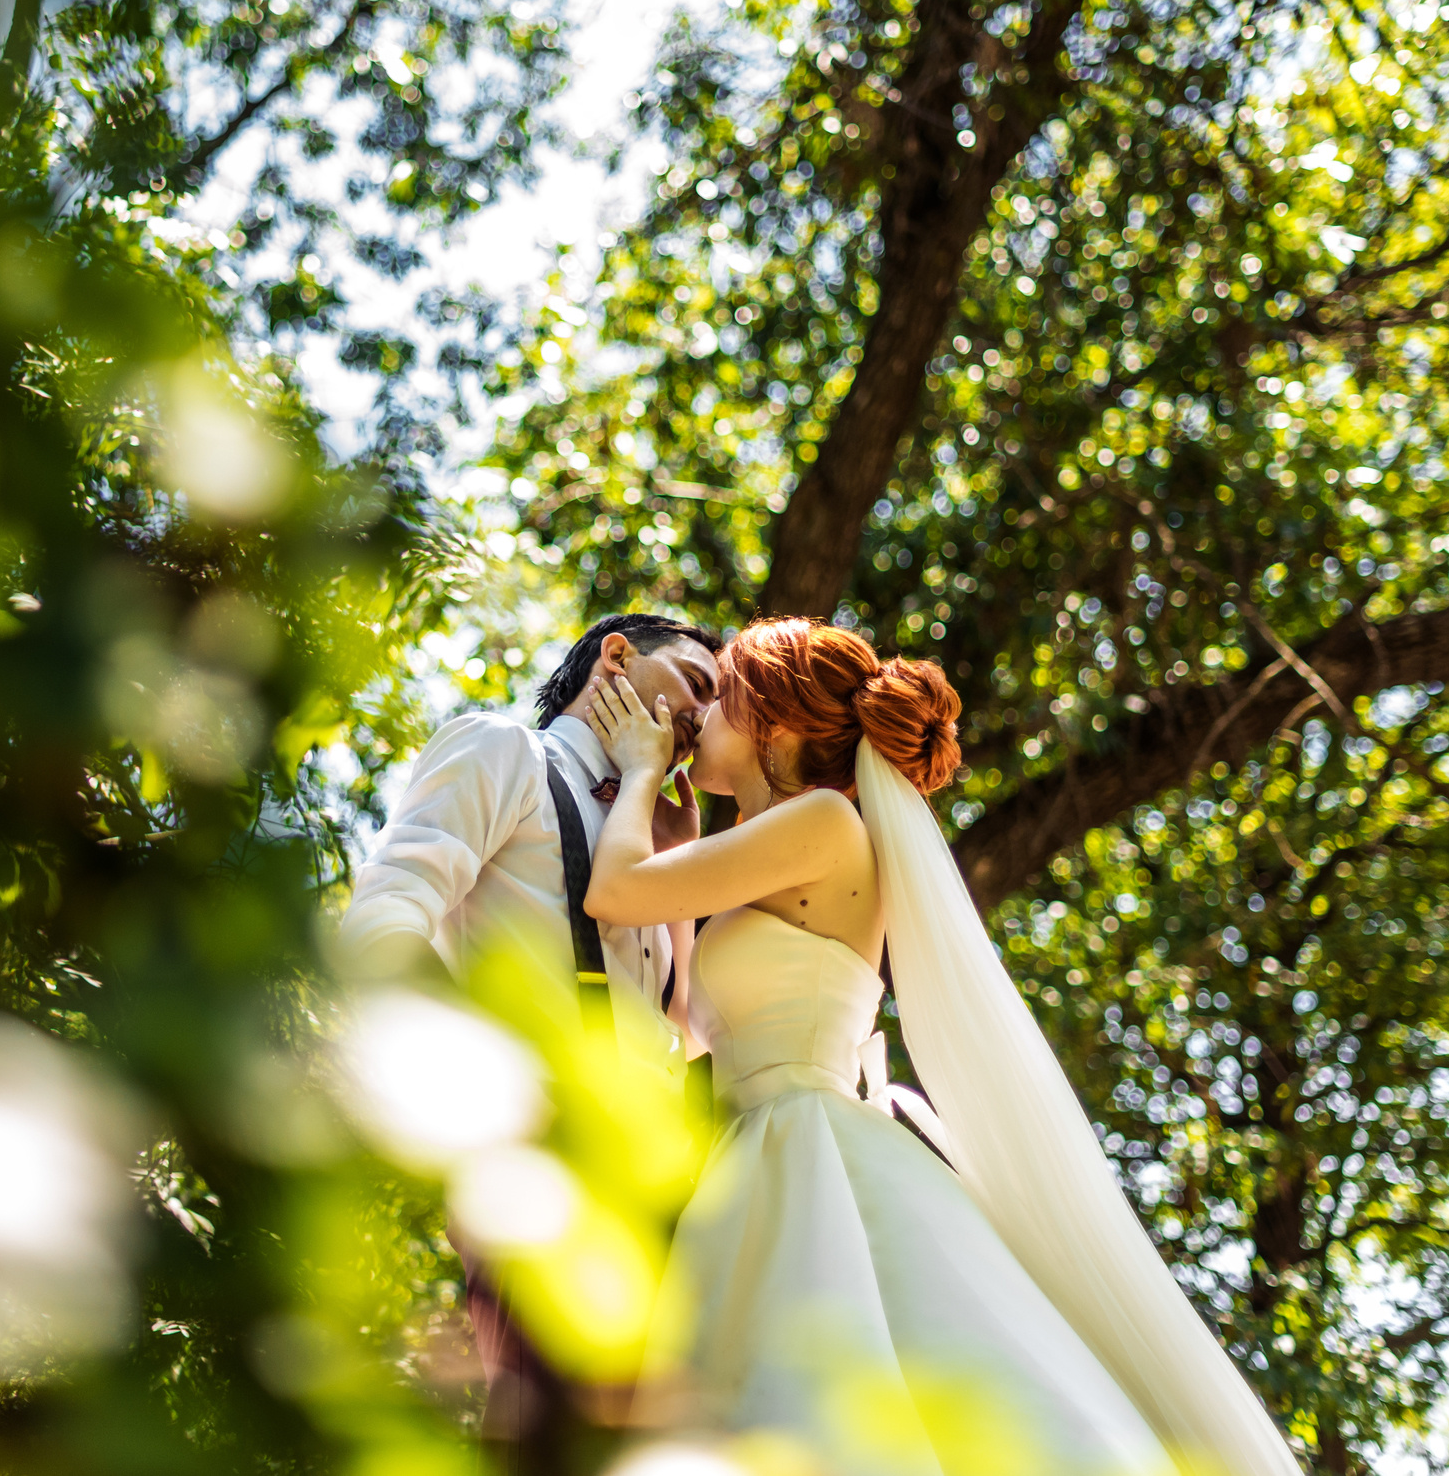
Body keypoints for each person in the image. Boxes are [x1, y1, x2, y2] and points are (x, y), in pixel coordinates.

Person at [581, 617, 1301, 1476]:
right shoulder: (783, 848)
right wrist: (680, 848)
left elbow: (612, 891)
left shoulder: (823, 821)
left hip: (801, 1143)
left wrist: (637, 770)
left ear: (775, 723)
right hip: (755, 1142)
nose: (701, 719)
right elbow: (697, 1022)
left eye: (722, 699)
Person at [334, 612, 723, 1471]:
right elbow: (382, 925)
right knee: (550, 1436)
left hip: (661, 1200)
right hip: (539, 1172)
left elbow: (686, 1037)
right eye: (698, 681)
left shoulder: (646, 832)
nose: (707, 713)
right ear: (616, 656)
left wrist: (676, 864)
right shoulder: (503, 749)